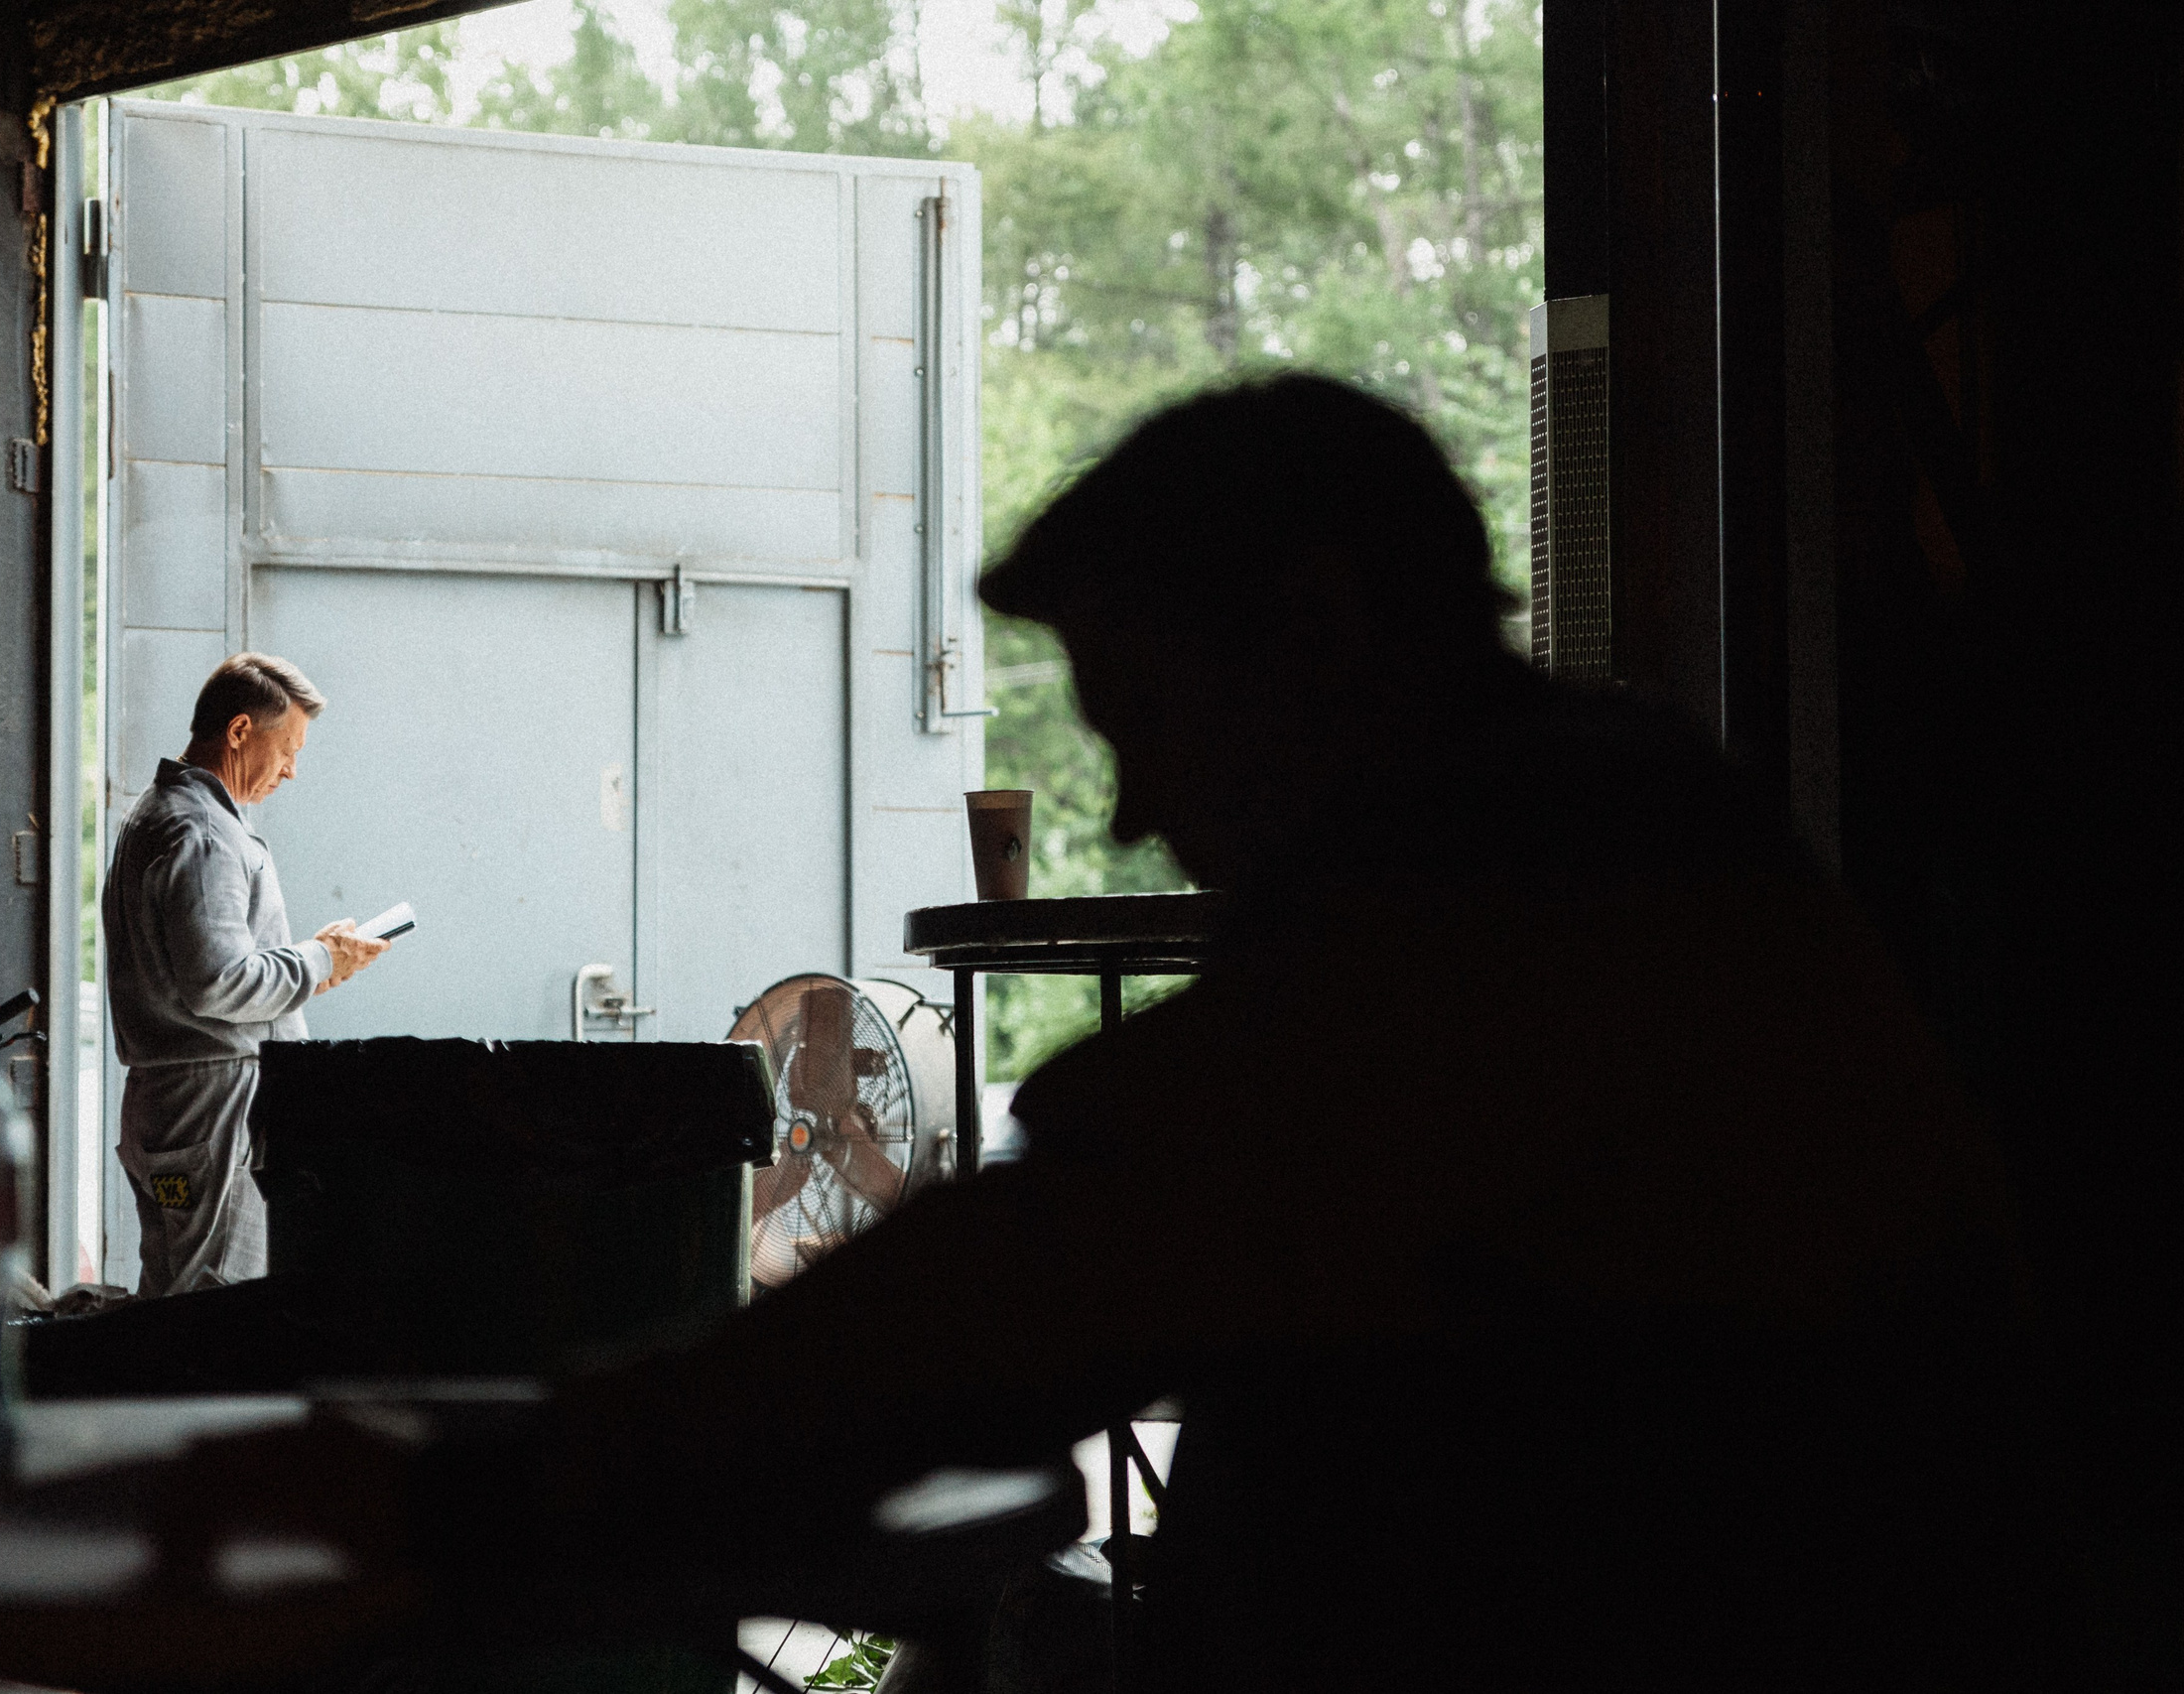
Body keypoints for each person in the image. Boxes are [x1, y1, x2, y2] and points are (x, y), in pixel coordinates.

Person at [166, 380, 2073, 1686]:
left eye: (1143, 709)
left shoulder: (1510, 898)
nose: (1143, 812)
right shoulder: (1621, 829)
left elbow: (1027, 1290)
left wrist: (458, 1485)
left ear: (1317, 636)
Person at [101, 652, 389, 1298]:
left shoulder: (156, 815)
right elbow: (218, 980)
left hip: (171, 1114)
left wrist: (316, 966)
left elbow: (200, 972)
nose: (291, 770)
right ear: (238, 733)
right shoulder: (204, 832)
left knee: (173, 1296)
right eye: (287, 749)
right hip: (214, 1111)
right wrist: (317, 959)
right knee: (221, 1309)